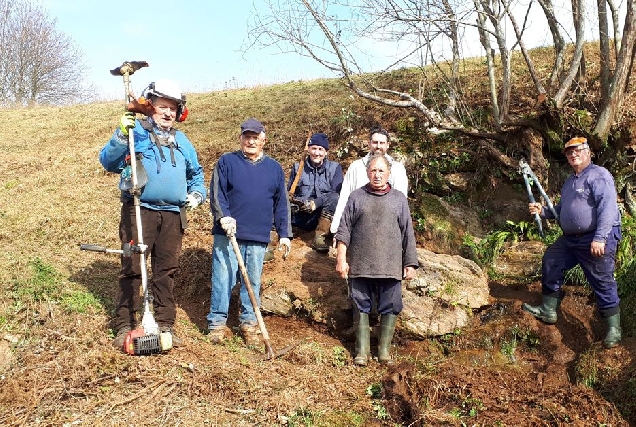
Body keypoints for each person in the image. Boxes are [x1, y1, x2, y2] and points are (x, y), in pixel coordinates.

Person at [100, 79, 206, 349]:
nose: (168, 113)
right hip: (139, 211)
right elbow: (108, 162)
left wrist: (197, 195)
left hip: (172, 215)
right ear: (151, 108)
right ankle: (124, 323)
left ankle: (165, 324)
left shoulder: (182, 141)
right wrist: (122, 134)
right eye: (162, 106)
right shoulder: (137, 133)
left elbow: (196, 174)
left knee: (165, 271)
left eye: (173, 108)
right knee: (133, 268)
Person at [522, 137, 622, 348]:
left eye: (577, 151)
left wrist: (600, 238)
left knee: (602, 280)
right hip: (571, 239)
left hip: (596, 236)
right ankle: (549, 309)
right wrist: (544, 211)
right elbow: (563, 209)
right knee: (551, 260)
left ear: (588, 152)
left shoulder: (599, 175)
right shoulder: (570, 181)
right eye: (569, 153)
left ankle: (614, 329)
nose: (573, 155)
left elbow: (608, 208)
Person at [207, 118, 292, 346]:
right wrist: (223, 216)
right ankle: (216, 324)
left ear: (264, 140)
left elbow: (281, 203)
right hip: (228, 234)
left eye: (255, 137)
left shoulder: (274, 168)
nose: (251, 141)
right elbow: (216, 193)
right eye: (247, 137)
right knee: (223, 278)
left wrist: (284, 233)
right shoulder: (226, 162)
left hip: (258, 235)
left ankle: (249, 324)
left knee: (252, 281)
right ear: (240, 138)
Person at [335, 154, 419, 365]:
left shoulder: (399, 199)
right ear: (367, 173)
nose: (377, 175)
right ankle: (361, 352)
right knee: (360, 304)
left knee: (391, 306)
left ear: (389, 174)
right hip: (362, 265)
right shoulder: (356, 197)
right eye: (373, 170)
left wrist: (410, 262)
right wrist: (341, 259)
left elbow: (408, 233)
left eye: (381, 171)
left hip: (390, 266)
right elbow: (344, 230)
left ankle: (384, 352)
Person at [329, 126, 408, 236]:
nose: (378, 146)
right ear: (369, 144)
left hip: (387, 227)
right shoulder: (356, 167)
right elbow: (344, 198)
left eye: (382, 143)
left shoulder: (398, 169)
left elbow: (401, 204)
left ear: (388, 145)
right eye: (375, 142)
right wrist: (337, 230)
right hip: (358, 226)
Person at [287, 132, 343, 252]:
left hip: (322, 217)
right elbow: (289, 193)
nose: (316, 153)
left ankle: (319, 237)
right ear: (309, 150)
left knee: (334, 198)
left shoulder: (335, 168)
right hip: (300, 216)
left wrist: (315, 204)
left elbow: (336, 194)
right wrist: (297, 205)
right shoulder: (298, 168)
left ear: (326, 152)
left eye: (320, 149)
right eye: (314, 149)